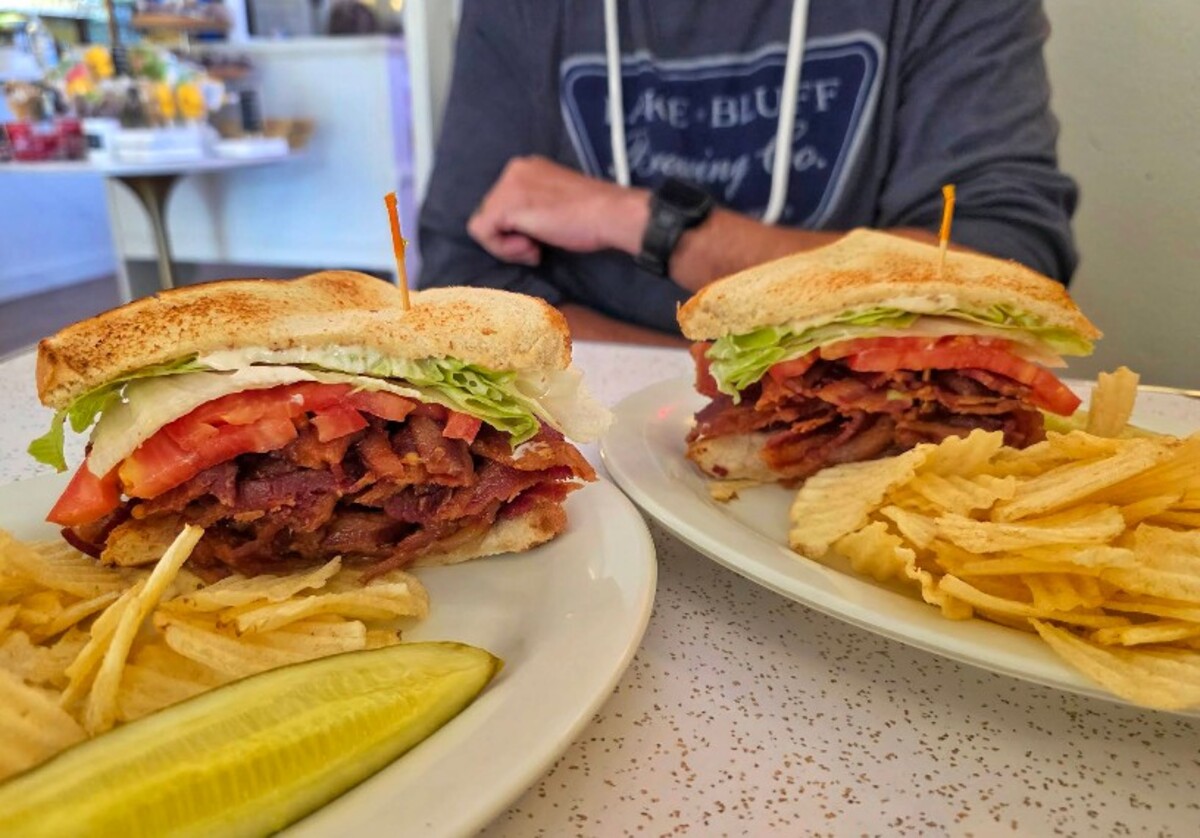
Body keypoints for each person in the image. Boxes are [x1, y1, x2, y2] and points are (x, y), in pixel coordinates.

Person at [418, 0, 1078, 346]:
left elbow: (1005, 275)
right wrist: (711, 380)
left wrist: (652, 226)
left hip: (877, 440)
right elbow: (462, 286)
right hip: (588, 442)